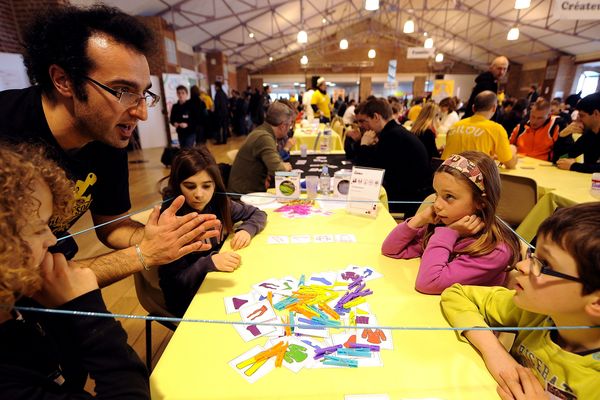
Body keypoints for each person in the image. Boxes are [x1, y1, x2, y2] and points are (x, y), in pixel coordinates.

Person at [0, 4, 220, 287]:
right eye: (122, 91)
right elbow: (22, 279)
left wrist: (157, 236)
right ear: (63, 80)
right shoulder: (8, 131)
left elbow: (113, 226)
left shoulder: (106, 136)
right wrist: (144, 254)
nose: (141, 113)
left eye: (144, 94)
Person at [0, 144, 149, 398]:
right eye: (38, 229)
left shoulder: (21, 305)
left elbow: (71, 373)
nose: (53, 240)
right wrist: (89, 313)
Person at [441, 202, 600, 399]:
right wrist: (495, 351)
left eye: (545, 264)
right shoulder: (537, 313)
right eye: (534, 255)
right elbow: (457, 295)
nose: (521, 265)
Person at [382, 152, 521, 294]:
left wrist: (450, 233)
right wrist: (420, 218)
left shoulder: (493, 250)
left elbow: (429, 283)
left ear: (480, 202)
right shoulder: (444, 223)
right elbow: (390, 249)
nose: (437, 204)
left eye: (449, 196)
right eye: (437, 194)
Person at [157, 147, 267, 317]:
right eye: (190, 186)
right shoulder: (169, 219)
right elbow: (175, 284)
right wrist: (208, 263)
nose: (199, 195)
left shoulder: (219, 202)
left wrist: (247, 229)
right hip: (187, 298)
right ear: (178, 185)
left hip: (218, 280)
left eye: (207, 186)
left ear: (215, 184)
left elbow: (258, 213)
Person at [354, 98, 432, 217]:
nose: (364, 126)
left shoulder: (392, 136)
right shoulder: (395, 132)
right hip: (411, 192)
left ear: (376, 117)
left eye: (365, 121)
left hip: (407, 200)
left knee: (357, 196)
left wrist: (364, 145)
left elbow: (367, 171)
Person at [228, 101, 294, 194]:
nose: (289, 128)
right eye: (290, 125)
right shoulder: (264, 138)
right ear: (283, 126)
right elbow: (278, 171)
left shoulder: (262, 131)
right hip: (244, 196)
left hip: (245, 190)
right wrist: (284, 167)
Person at [442, 91, 518, 169]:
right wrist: (512, 150)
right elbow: (510, 164)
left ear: (473, 108)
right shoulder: (496, 129)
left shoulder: (455, 126)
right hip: (472, 178)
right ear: (494, 108)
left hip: (445, 174)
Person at [556, 92, 600, 173]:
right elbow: (561, 158)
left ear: (596, 114)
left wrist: (574, 166)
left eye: (582, 116)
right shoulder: (589, 136)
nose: (577, 120)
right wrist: (562, 136)